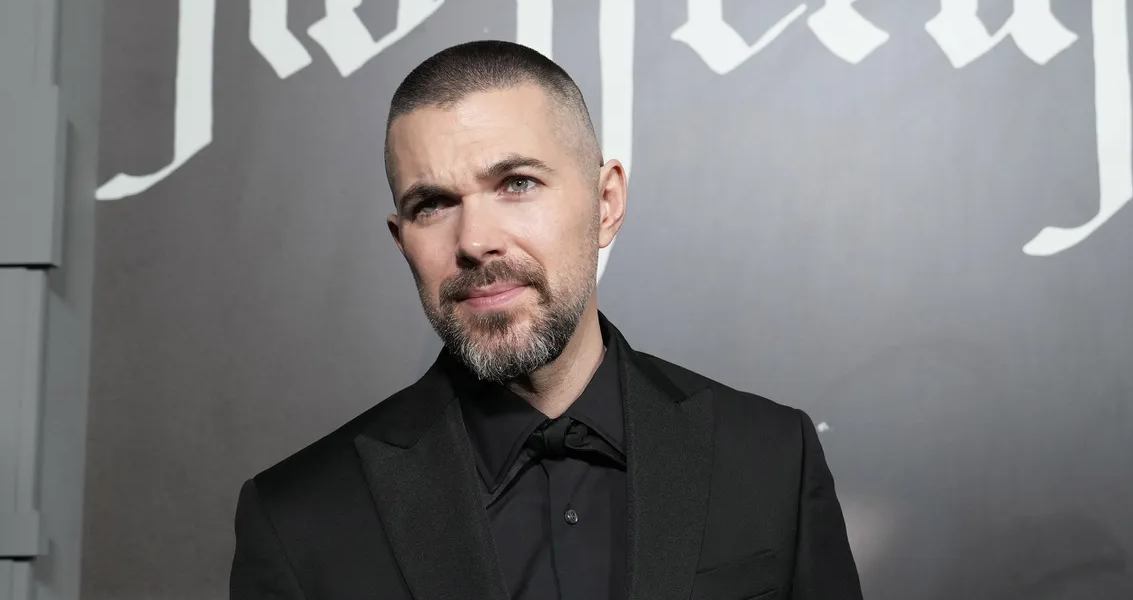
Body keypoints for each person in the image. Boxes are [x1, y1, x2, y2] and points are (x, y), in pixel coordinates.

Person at [228, 40, 863, 600]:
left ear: (606, 202)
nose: (476, 241)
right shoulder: (298, 519)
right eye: (432, 205)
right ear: (401, 240)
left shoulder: (772, 458)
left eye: (517, 183)